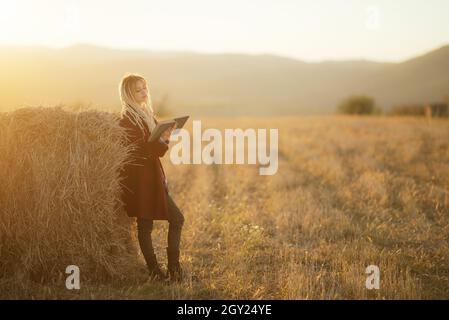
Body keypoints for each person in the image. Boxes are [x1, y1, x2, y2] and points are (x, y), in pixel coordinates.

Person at [118, 73, 185, 282]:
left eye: (145, 87)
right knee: (146, 225)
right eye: (138, 89)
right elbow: (138, 151)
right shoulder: (127, 120)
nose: (143, 92)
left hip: (153, 176)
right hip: (140, 180)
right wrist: (159, 141)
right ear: (128, 93)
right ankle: (155, 270)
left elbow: (157, 152)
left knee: (176, 219)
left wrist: (165, 138)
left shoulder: (148, 115)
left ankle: (174, 268)